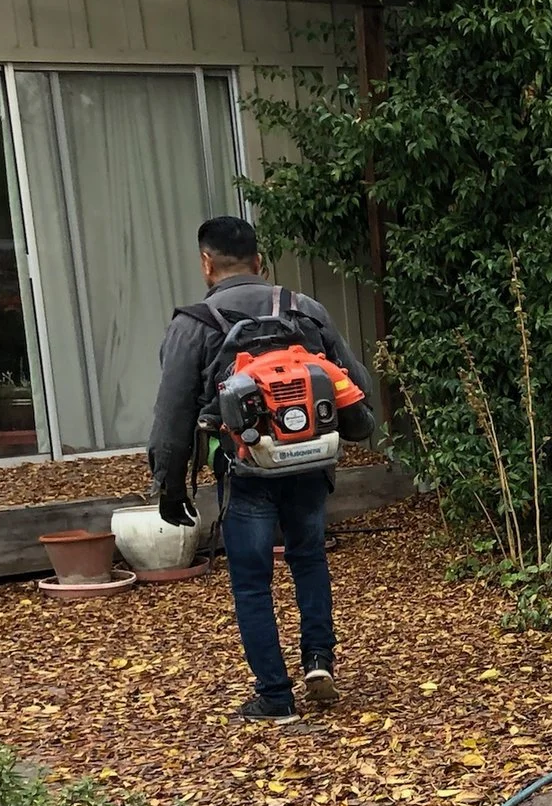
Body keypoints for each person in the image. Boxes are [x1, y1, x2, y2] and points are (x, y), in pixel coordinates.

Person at [148, 218, 380, 725]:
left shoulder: (195, 323)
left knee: (252, 582)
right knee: (309, 559)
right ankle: (319, 662)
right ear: (261, 261)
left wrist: (168, 484)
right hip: (309, 464)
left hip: (244, 469)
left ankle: (275, 697)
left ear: (206, 263)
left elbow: (171, 418)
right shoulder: (305, 309)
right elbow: (355, 383)